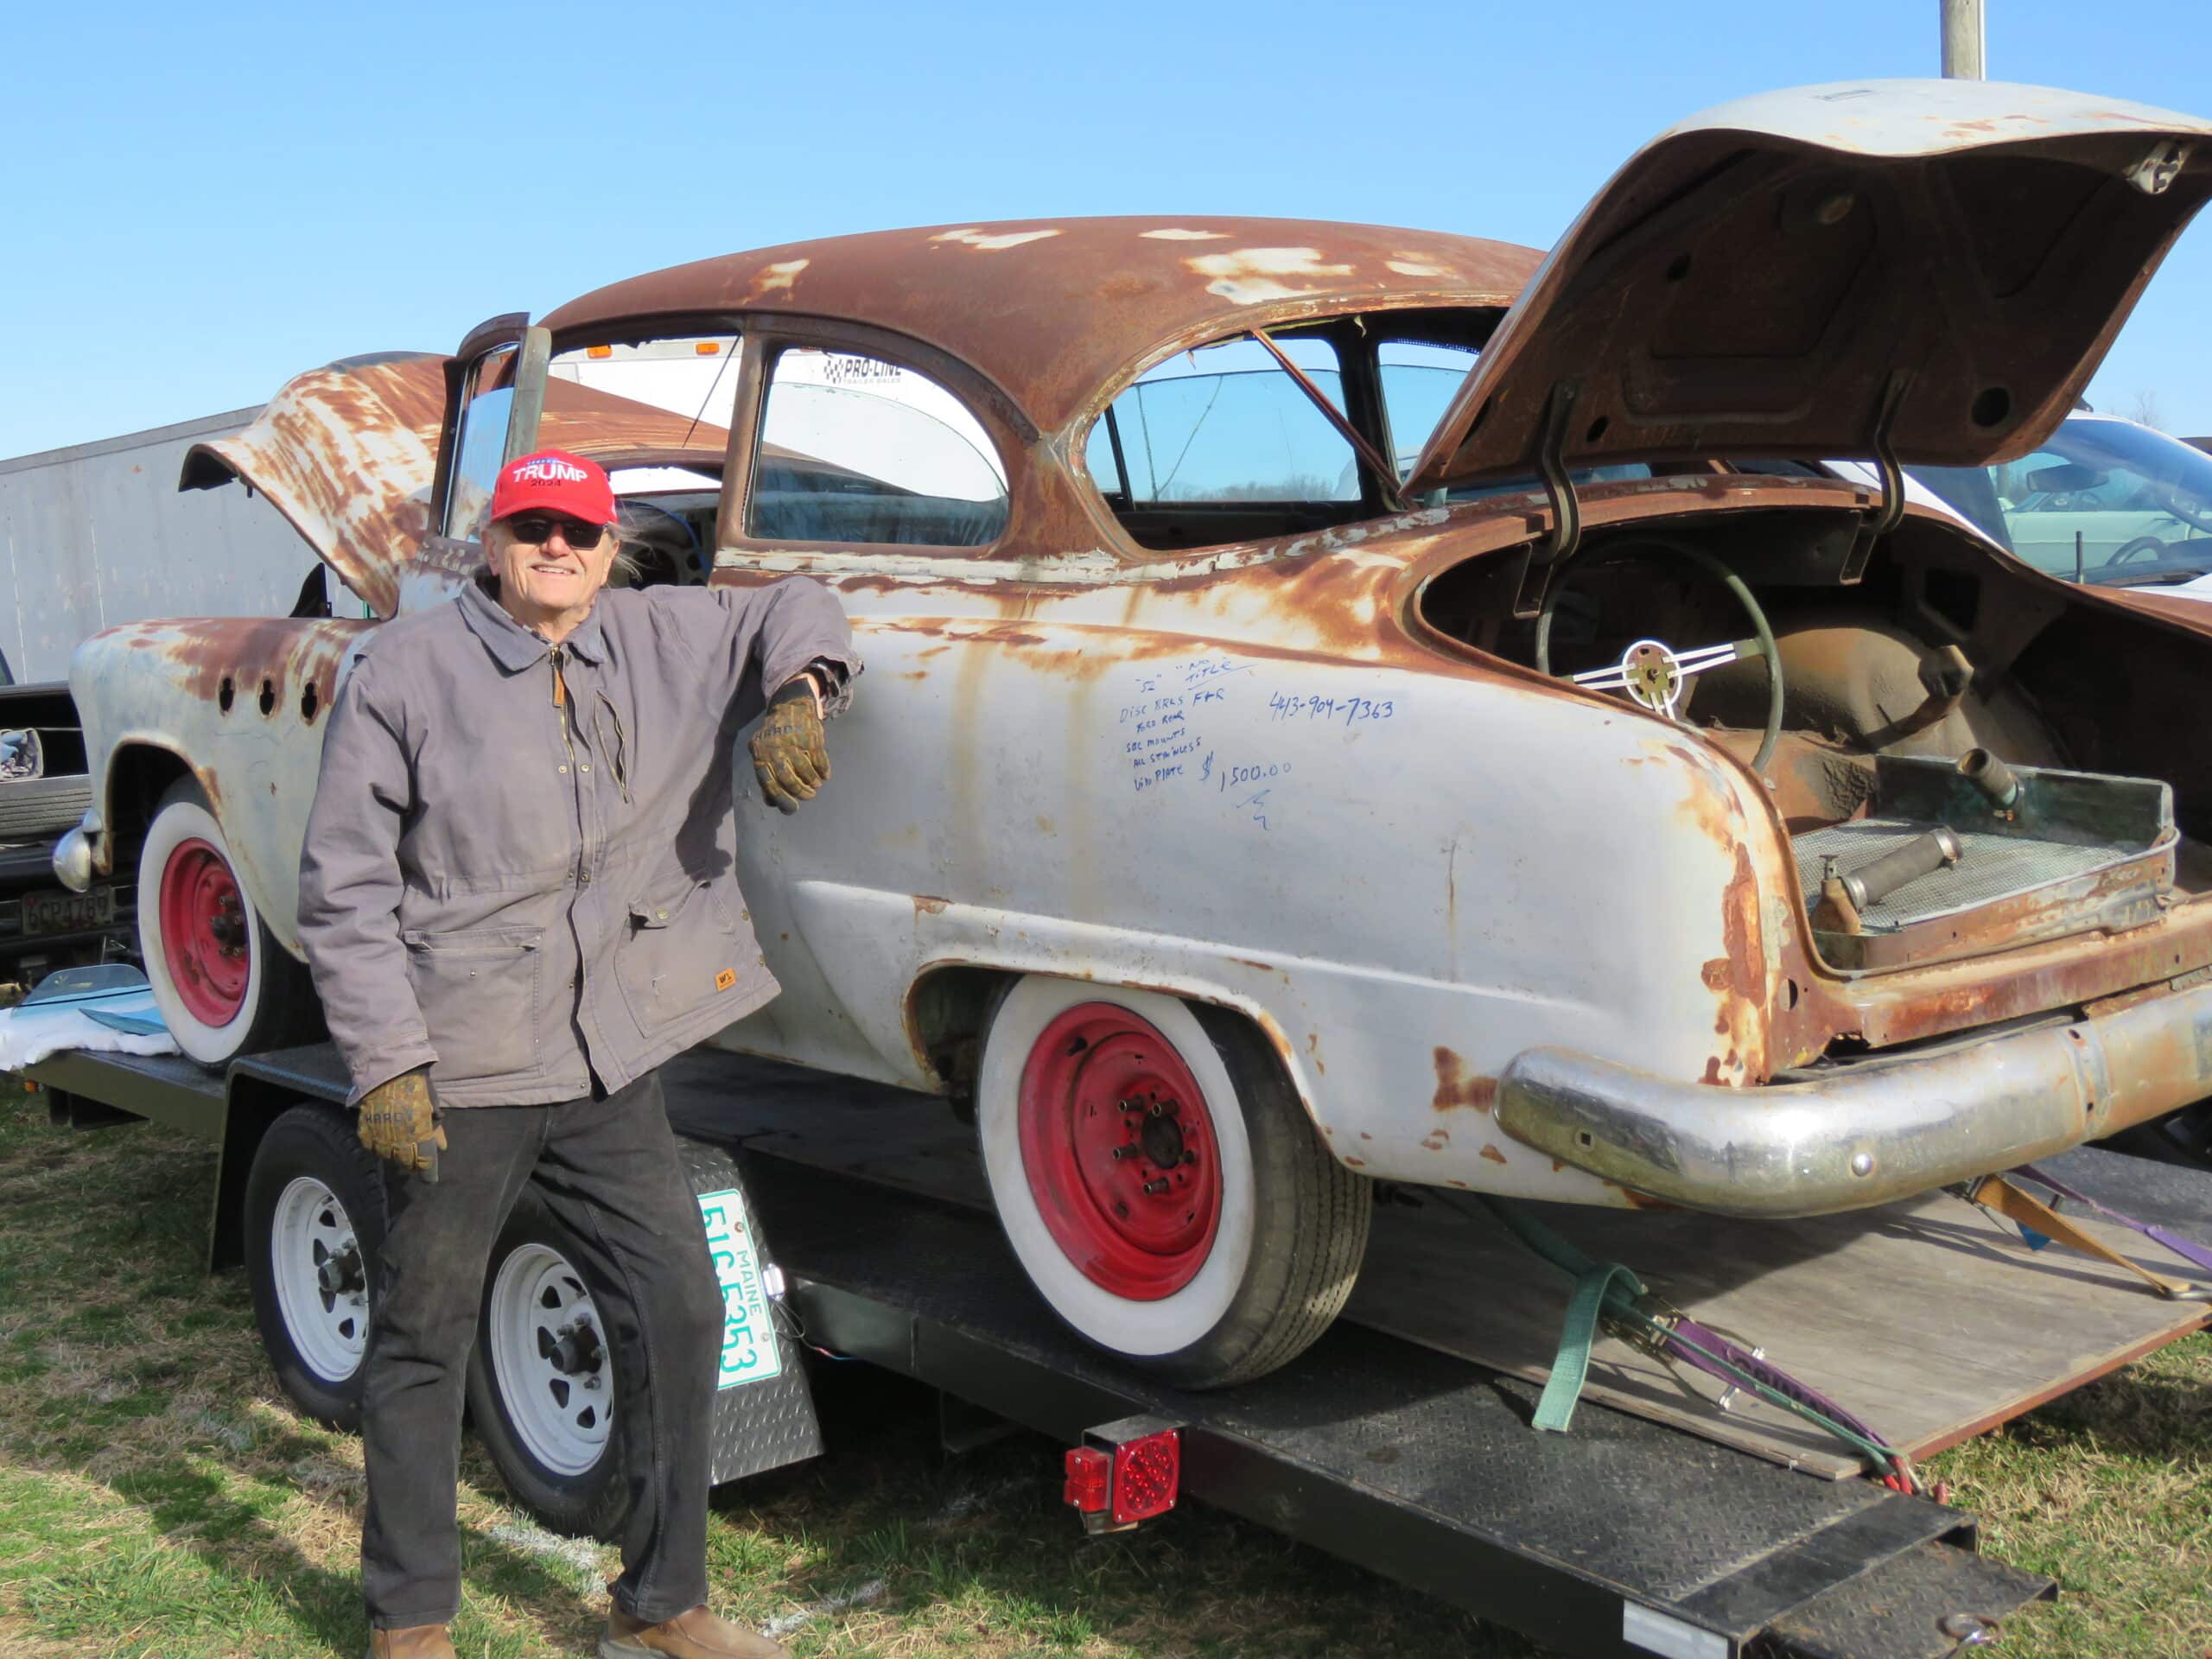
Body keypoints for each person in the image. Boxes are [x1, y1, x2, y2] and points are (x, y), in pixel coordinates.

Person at [298, 448, 860, 1659]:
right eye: (534, 526)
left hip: (608, 1063)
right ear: (493, 543)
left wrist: (802, 694)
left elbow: (797, 601)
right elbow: (342, 889)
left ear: (612, 552)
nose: (557, 546)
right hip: (465, 1069)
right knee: (424, 1333)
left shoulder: (662, 634)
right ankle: (411, 1620)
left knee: (681, 1307)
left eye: (581, 531)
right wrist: (386, 1060)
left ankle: (661, 1604)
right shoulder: (405, 673)